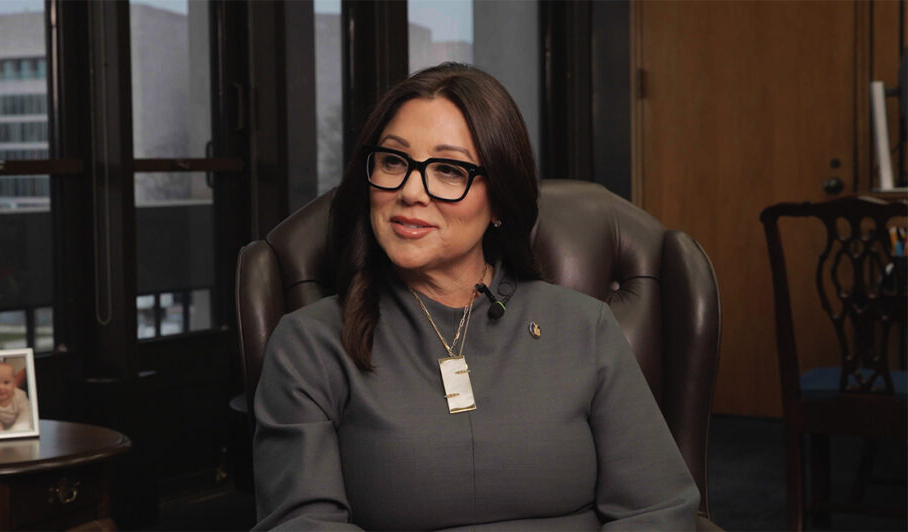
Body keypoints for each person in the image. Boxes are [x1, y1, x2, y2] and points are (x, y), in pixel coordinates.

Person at [253, 63, 700, 530]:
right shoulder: (309, 344)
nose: (409, 191)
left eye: (448, 170)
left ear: (501, 200)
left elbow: (658, 509)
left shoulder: (585, 328)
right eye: (392, 161)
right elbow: (302, 524)